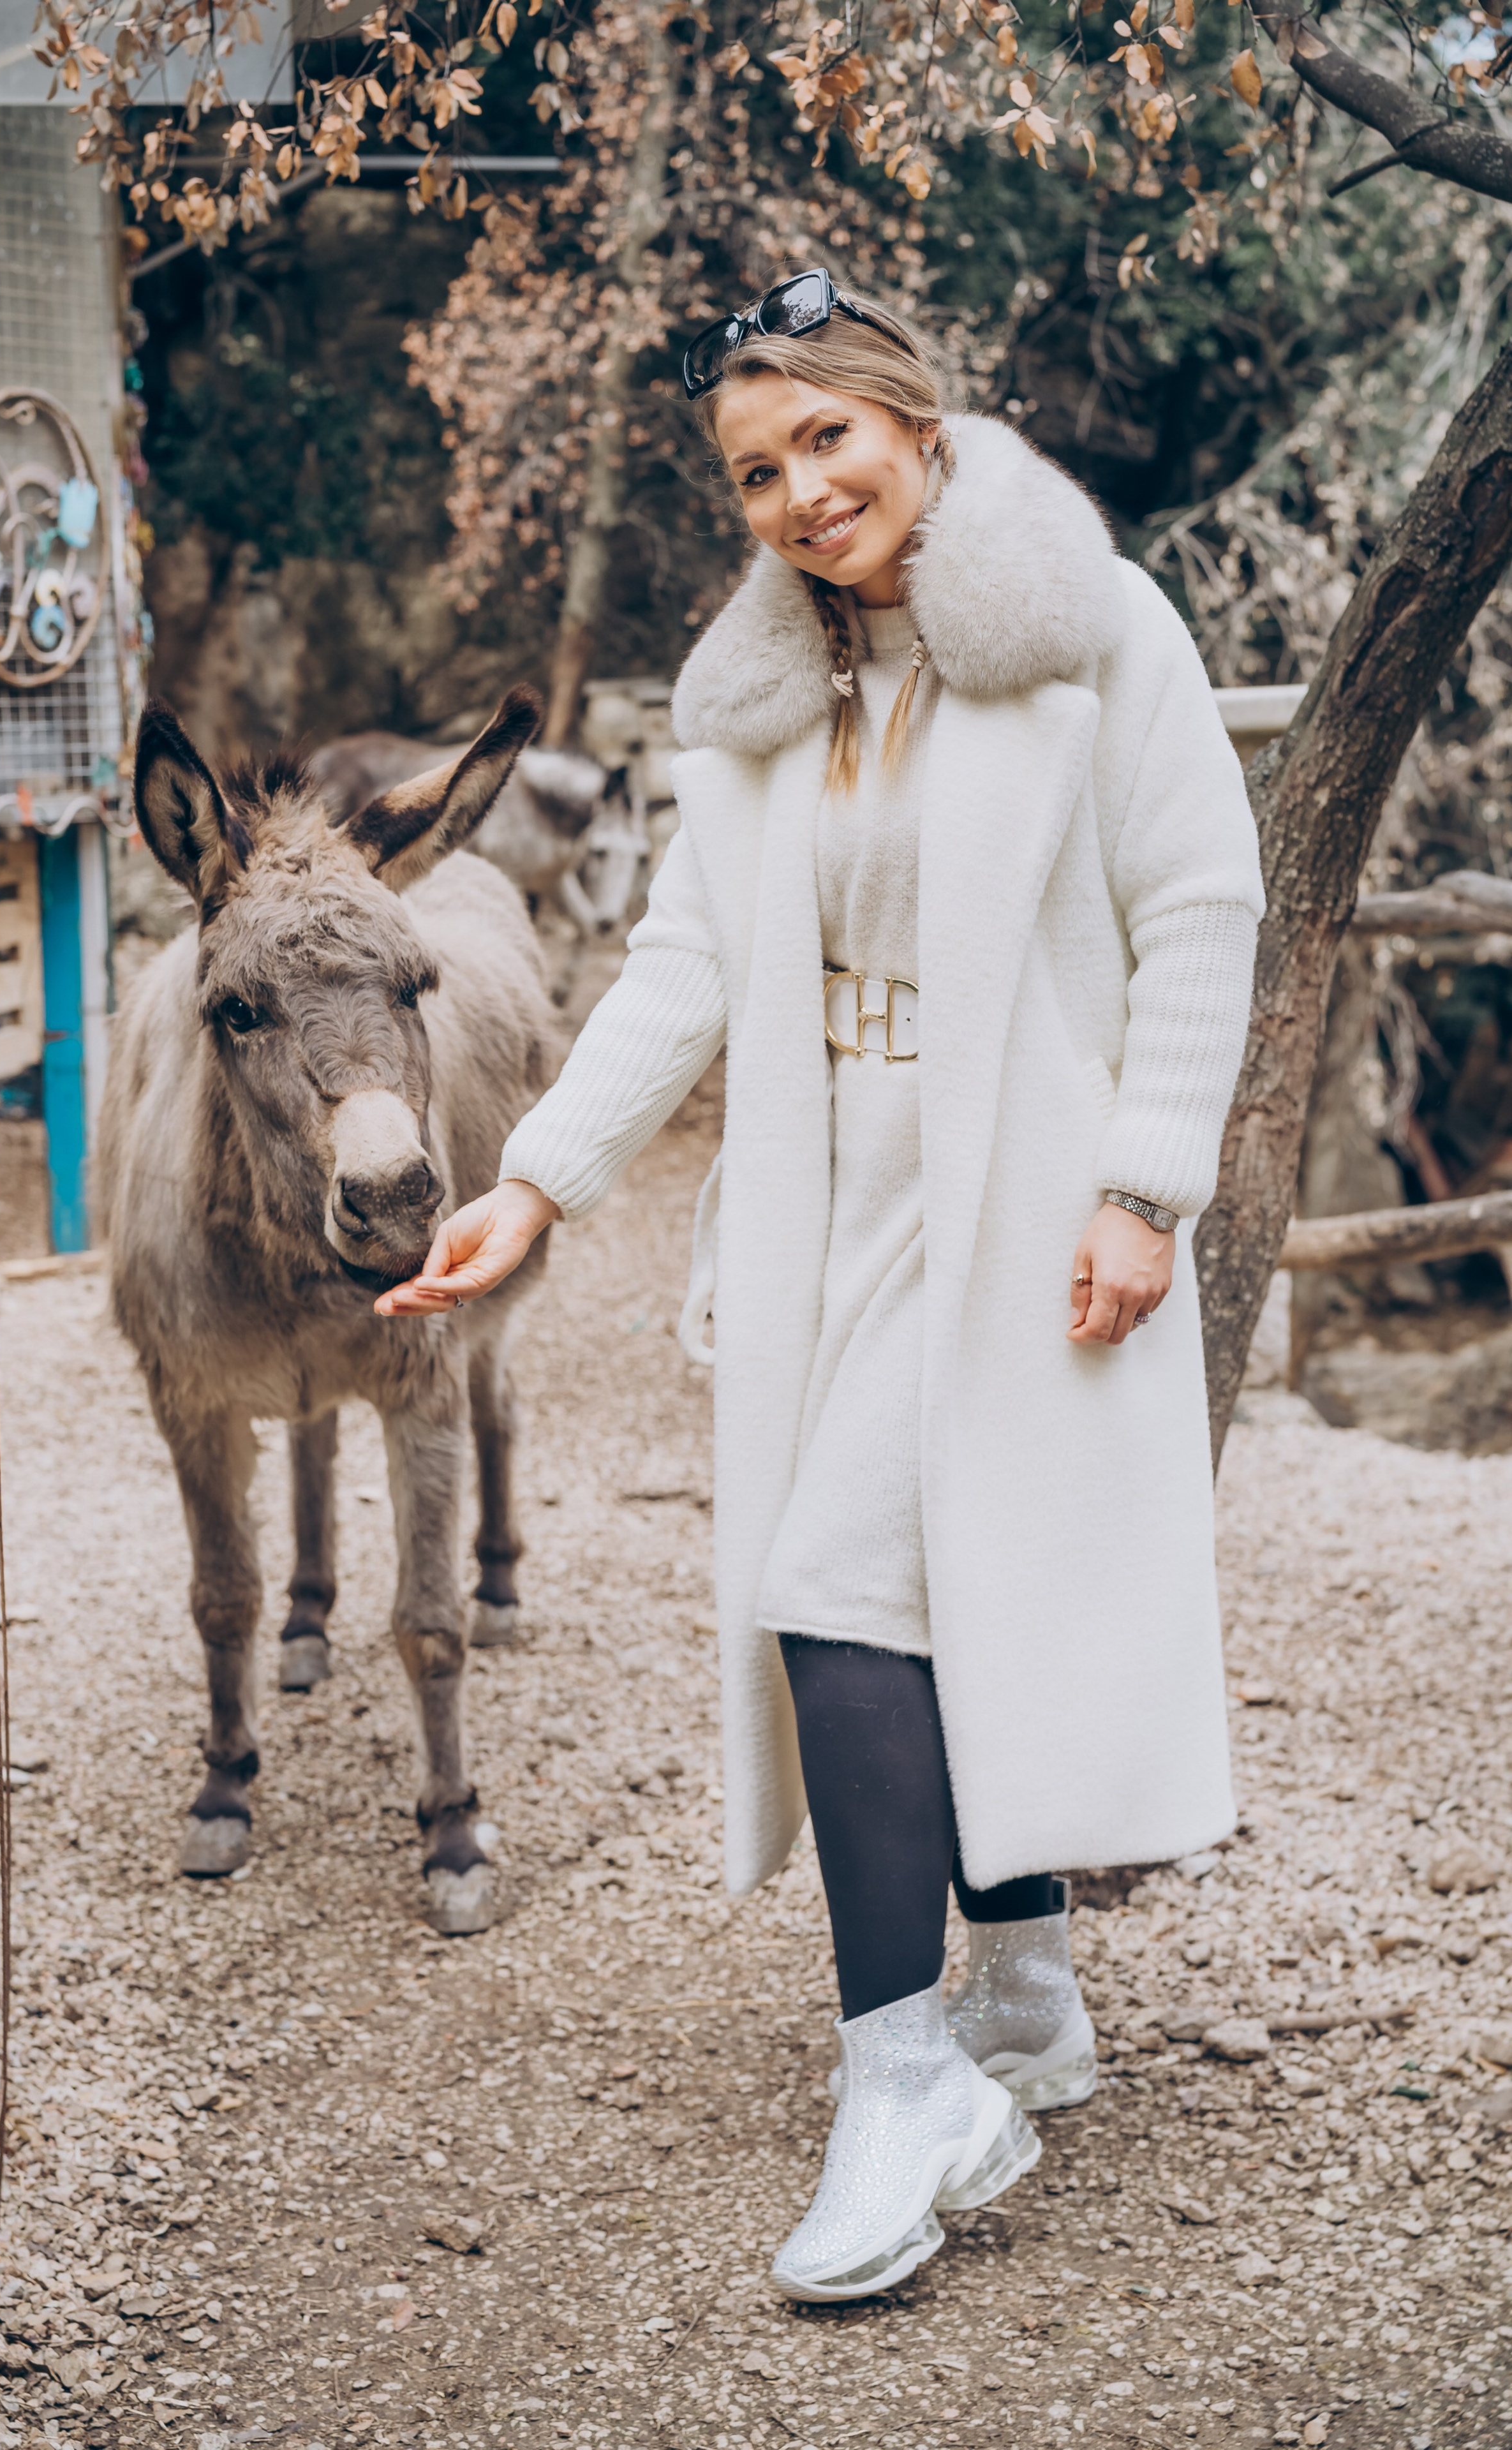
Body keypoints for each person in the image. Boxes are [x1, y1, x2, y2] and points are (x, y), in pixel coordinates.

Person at [376, 271, 1264, 2305]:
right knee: (915, 1577)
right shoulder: (771, 698)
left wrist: (1146, 1184)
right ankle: (1022, 1992)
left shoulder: (1095, 635)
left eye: (830, 444)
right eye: (759, 473)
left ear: (919, 425)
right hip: (832, 1196)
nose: (799, 495)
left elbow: (1204, 906)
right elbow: (686, 970)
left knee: (837, 1587)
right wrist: (540, 1183)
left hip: (1022, 1197)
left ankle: (905, 2081)